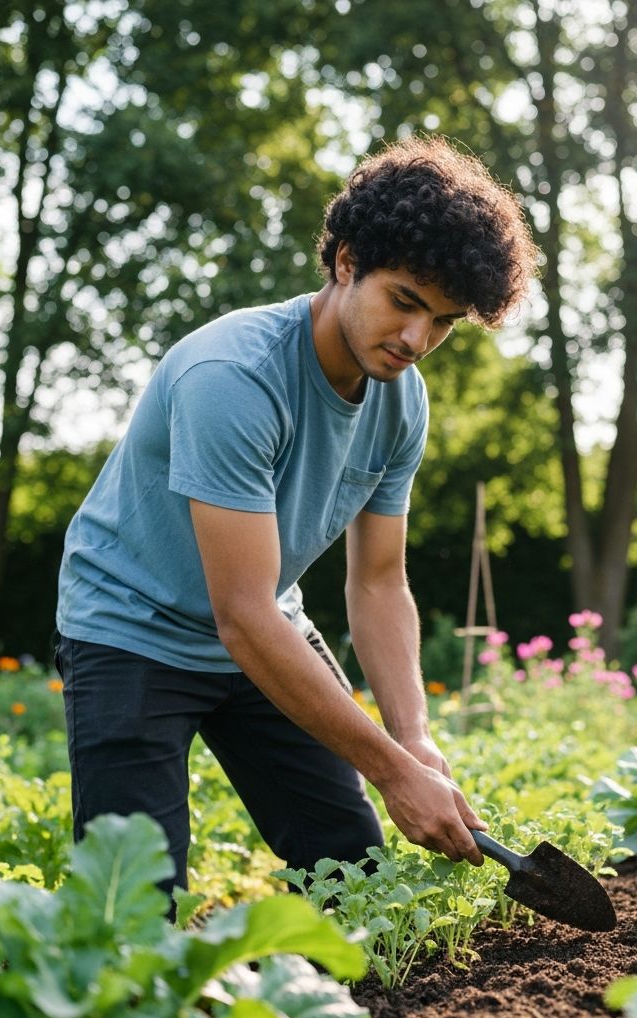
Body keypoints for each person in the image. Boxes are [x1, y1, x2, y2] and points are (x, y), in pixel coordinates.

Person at [54, 136, 539, 900]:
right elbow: (240, 616)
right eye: (404, 302)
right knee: (133, 904)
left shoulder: (400, 398)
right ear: (346, 261)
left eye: (443, 322)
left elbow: (379, 583)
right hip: (132, 628)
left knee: (352, 873)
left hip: (266, 625)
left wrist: (411, 739)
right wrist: (389, 770)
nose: (416, 340)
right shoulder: (234, 379)